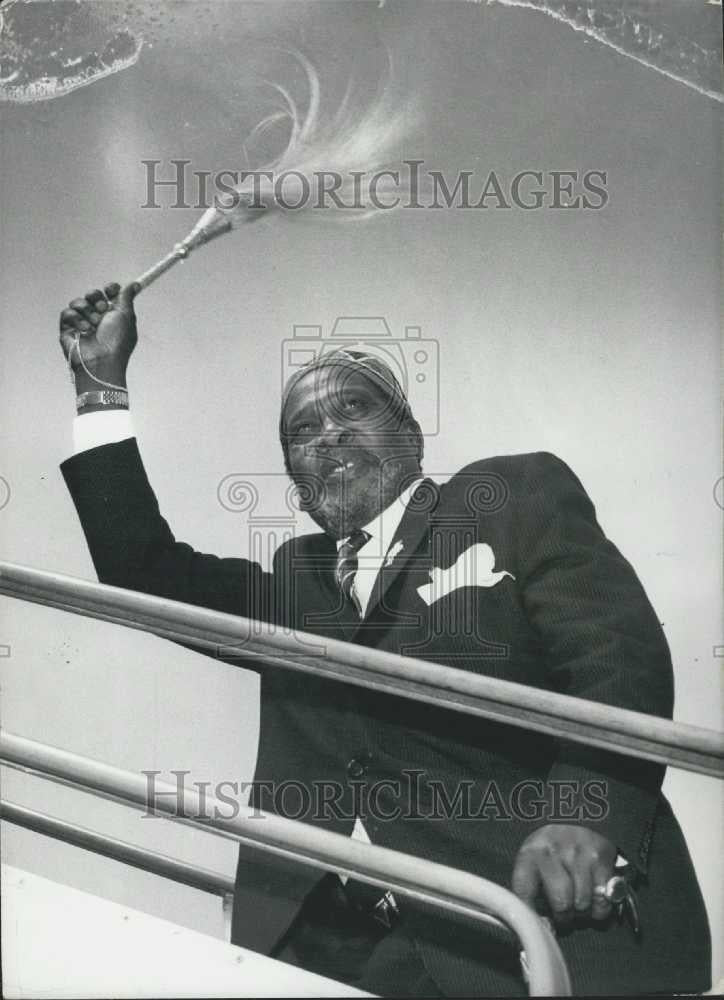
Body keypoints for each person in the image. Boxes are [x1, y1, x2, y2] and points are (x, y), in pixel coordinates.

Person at [58, 281, 711, 997]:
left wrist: (589, 815)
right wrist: (99, 386)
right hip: (323, 950)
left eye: (353, 409)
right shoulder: (291, 584)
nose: (328, 434)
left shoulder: (507, 498)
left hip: (527, 934)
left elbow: (615, 656)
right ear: (298, 486)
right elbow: (140, 568)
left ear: (410, 434)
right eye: (302, 432)